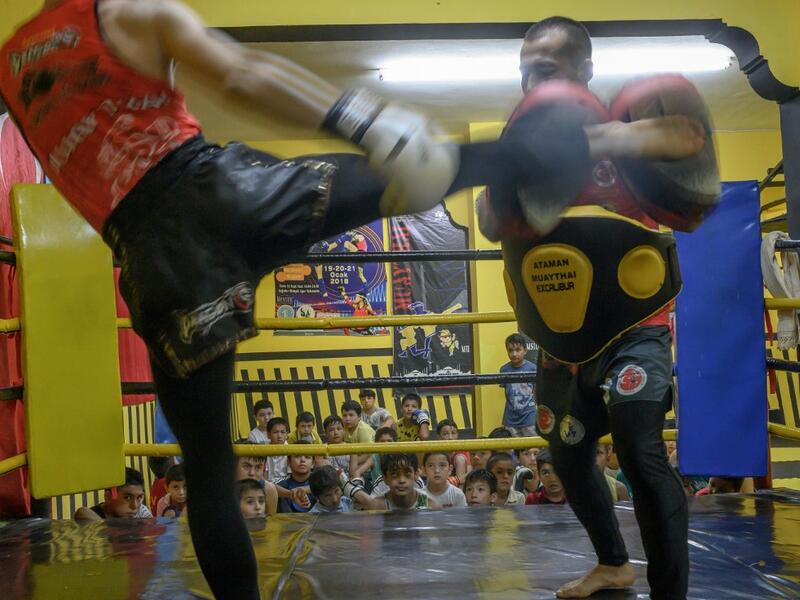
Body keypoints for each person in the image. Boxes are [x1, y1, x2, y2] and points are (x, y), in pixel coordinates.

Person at [0, 3, 703, 598]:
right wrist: (362, 120)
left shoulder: (13, 61)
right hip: (221, 196)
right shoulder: (120, 10)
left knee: (209, 465)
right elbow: (242, 73)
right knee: (431, 168)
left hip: (152, 257)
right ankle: (525, 150)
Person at [479, 16, 714, 599]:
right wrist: (521, 159)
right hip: (562, 335)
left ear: (584, 71)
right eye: (526, 72)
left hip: (635, 327)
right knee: (566, 448)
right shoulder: (524, 141)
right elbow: (488, 222)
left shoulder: (628, 126)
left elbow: (686, 139)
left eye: (548, 70)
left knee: (638, 446)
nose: (534, 82)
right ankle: (614, 563)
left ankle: (671, 593)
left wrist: (601, 139)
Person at [74, 467, 152, 520]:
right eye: (127, 497)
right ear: (108, 497)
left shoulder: (141, 511)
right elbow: (82, 512)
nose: (135, 506)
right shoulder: (93, 515)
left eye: (139, 498)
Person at [499, 333, 538, 437]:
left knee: (532, 448)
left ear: (525, 350)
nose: (514, 354)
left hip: (529, 416)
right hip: (510, 418)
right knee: (513, 449)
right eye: (510, 350)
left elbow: (537, 391)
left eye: (518, 349)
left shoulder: (533, 368)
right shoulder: (504, 370)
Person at [276, 445, 315, 512]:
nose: (302, 460)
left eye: (307, 457)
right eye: (297, 456)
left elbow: (328, 485)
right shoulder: (282, 484)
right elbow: (267, 487)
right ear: (289, 461)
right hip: (288, 521)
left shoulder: (320, 481)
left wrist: (306, 489)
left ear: (313, 463)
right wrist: (290, 494)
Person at [436, 419, 471, 487]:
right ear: (439, 437)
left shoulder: (462, 450)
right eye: (445, 434)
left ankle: (459, 495)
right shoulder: (435, 452)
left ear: (457, 435)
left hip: (459, 487)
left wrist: (453, 481)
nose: (450, 438)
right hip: (442, 487)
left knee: (460, 459)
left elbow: (469, 473)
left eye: (453, 433)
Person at [265, 417, 290, 483]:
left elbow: (291, 474)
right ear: (268, 435)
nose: (279, 436)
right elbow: (265, 473)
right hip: (269, 484)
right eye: (275, 432)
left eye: (282, 432)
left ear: (286, 434)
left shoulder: (291, 451)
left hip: (286, 483)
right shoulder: (264, 450)